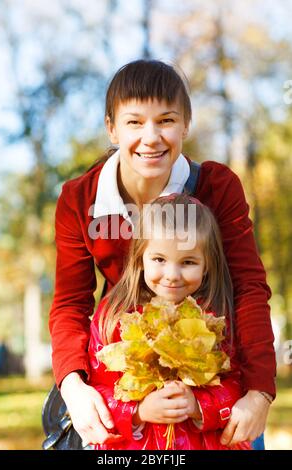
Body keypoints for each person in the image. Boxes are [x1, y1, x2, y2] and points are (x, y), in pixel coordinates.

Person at [50, 59, 276, 449]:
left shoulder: (217, 187)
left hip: (214, 372)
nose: (151, 137)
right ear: (111, 127)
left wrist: (259, 392)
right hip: (125, 373)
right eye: (134, 122)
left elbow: (249, 289)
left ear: (186, 124)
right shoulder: (80, 199)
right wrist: (73, 385)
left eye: (166, 120)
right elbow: (70, 304)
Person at [86, 194, 251, 450]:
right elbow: (97, 386)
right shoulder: (116, 316)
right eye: (159, 259)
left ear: (207, 265)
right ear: (141, 257)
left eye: (188, 262)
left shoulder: (217, 319)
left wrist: (199, 406)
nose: (172, 276)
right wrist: (137, 411)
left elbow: (238, 382)